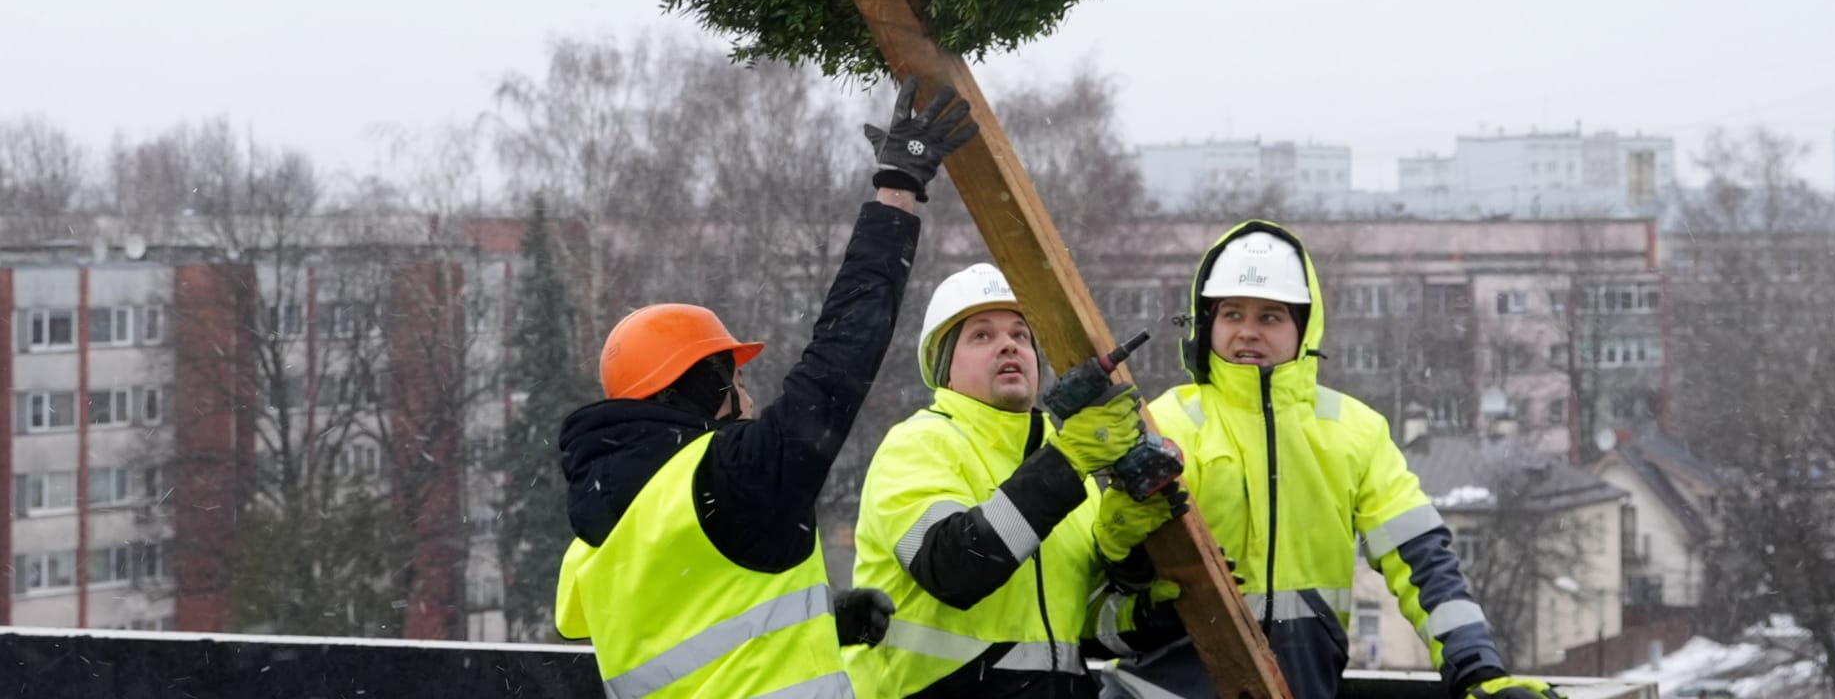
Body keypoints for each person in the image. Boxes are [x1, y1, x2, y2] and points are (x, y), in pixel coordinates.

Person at [554, 79, 978, 699]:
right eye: (737, 379)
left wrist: (822, 622)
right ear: (706, 388)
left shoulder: (600, 537)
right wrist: (897, 189)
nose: (749, 400)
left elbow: (698, 633)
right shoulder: (731, 479)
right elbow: (842, 355)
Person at [1095, 221, 1564, 699]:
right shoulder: (1162, 425)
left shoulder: (1354, 431)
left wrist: (1478, 674)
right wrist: (1129, 560)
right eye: (1232, 314)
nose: (1247, 332)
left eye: (1270, 317)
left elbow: (1424, 564)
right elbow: (1098, 595)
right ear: (1206, 322)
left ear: (1304, 327)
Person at [845, 262, 1182, 698]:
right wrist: (1068, 460)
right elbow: (953, 568)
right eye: (982, 335)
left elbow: (1088, 631)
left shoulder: (1066, 467)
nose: (1008, 345)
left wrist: (1144, 588)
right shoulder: (919, 444)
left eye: (1020, 335)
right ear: (944, 367)